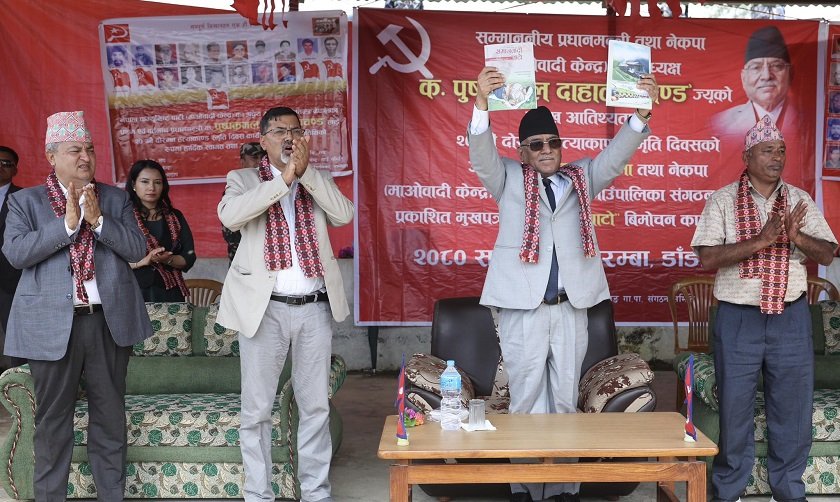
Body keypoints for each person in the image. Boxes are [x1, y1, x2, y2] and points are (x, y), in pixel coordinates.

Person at [469, 67, 657, 502]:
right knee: (525, 399)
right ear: (523, 151)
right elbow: (481, 155)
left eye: (553, 142)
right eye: (537, 144)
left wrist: (640, 115)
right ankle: (524, 489)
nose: (547, 150)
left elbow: (615, 157)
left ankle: (562, 490)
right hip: (524, 308)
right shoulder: (507, 179)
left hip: (571, 306)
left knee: (565, 399)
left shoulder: (581, 178)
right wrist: (480, 104)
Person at [1, 111, 151, 501]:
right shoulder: (25, 202)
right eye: (75, 150)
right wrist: (66, 226)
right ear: (51, 156)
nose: (86, 157)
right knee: (52, 424)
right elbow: (16, 253)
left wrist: (99, 222)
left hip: (106, 323)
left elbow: (137, 249)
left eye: (90, 149)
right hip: (50, 327)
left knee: (109, 418)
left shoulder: (115, 198)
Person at [691, 115, 837, 502]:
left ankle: (788, 490)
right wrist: (760, 240)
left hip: (791, 318)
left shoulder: (800, 201)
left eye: (781, 150)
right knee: (735, 408)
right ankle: (729, 491)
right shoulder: (722, 200)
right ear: (747, 156)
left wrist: (796, 236)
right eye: (768, 150)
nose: (777, 157)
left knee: (792, 407)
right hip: (738, 319)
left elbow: (827, 253)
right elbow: (707, 258)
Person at [217, 106, 353, 502]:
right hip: (265, 309)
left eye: (295, 130)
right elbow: (231, 216)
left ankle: (315, 492)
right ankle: (258, 494)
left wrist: (305, 175)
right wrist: (285, 179)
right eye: (279, 131)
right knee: (257, 410)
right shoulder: (242, 179)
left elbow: (343, 215)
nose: (289, 137)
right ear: (264, 141)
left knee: (315, 406)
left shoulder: (317, 179)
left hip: (314, 307)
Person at [125, 160, 196, 302]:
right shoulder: (124, 217)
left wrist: (167, 259)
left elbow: (188, 256)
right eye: (145, 182)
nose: (151, 187)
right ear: (133, 185)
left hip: (171, 292)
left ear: (163, 186)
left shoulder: (175, 216)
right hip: (134, 291)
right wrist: (143, 262)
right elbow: (111, 261)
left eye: (157, 182)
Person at [711, 26, 796, 138]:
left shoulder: (809, 120)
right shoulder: (721, 123)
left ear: (790, 74)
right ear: (744, 78)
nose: (766, 76)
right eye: (756, 67)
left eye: (776, 66)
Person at [221, 142, 264, 264]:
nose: (260, 162)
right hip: (242, 259)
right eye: (254, 158)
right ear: (242, 162)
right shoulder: (235, 190)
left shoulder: (271, 186)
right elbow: (230, 231)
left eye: (263, 158)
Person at [0, 146, 23, 370]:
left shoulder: (24, 198)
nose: (0, 166)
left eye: (6, 163)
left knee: (17, 338)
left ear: (15, 169)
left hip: (11, 279)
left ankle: (20, 384)